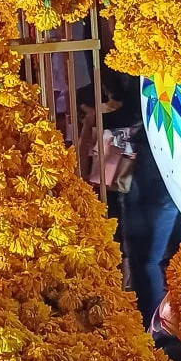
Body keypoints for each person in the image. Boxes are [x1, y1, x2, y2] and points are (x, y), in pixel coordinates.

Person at [117, 73, 181, 328]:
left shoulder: (161, 70)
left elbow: (137, 111)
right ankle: (163, 327)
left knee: (147, 260)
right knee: (161, 259)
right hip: (159, 173)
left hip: (159, 177)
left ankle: (154, 330)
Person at [77, 78, 135, 271]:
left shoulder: (98, 117)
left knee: (117, 235)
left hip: (105, 182)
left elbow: (83, 154)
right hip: (125, 182)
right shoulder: (133, 117)